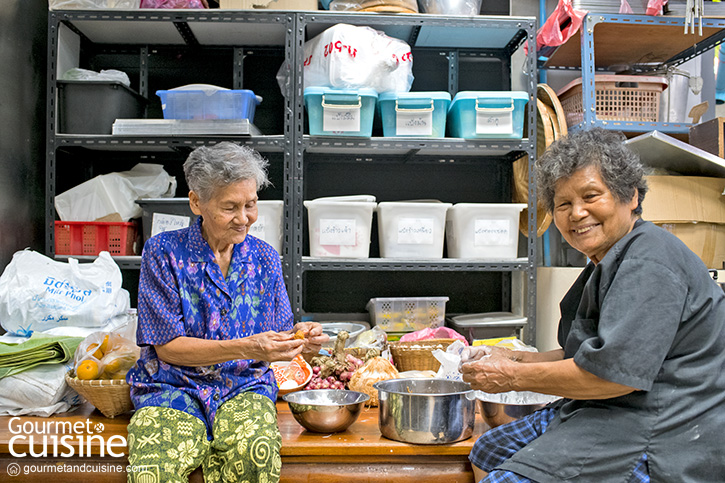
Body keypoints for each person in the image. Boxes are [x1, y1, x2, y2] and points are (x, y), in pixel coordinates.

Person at [461, 128, 725, 482]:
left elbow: (609, 375)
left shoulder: (649, 261)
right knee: (488, 449)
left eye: (591, 196)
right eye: (563, 204)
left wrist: (511, 375)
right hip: (610, 407)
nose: (577, 213)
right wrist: (516, 357)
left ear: (629, 196)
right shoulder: (609, 259)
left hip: (661, 428)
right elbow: (592, 351)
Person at [126, 142, 327, 483]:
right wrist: (248, 347)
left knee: (254, 452)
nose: (244, 218)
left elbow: (277, 339)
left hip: (244, 387)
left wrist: (302, 342)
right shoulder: (162, 253)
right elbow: (167, 347)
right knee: (154, 469)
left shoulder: (263, 257)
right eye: (230, 207)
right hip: (173, 388)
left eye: (251, 204)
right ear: (196, 203)